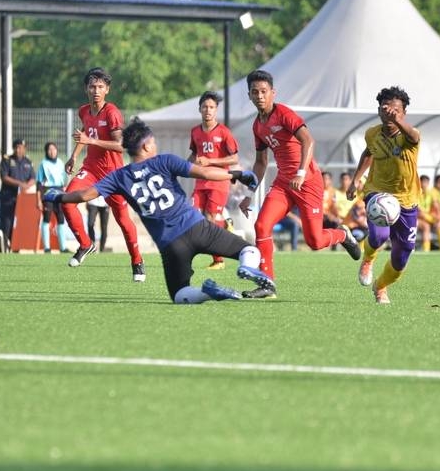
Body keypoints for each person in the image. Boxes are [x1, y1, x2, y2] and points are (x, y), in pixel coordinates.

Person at [42, 117, 275, 303]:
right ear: (145, 146)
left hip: (170, 245)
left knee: (180, 294)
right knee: (250, 251)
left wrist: (59, 196)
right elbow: (205, 173)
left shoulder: (119, 176)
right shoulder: (164, 161)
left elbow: (85, 195)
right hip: (197, 227)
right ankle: (246, 267)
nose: (155, 145)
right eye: (153, 142)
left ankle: (206, 292)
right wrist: (236, 174)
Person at [239, 70, 361, 294]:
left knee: (314, 241)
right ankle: (267, 284)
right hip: (284, 184)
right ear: (249, 95)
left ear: (273, 93)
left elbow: (308, 140)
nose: (260, 96)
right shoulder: (258, 126)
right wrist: (248, 195)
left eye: (264, 91)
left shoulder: (283, 113)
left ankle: (342, 234)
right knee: (261, 226)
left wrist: (301, 172)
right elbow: (261, 162)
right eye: (255, 92)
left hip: (308, 182)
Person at [61, 67, 145, 282]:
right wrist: (73, 156)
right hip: (90, 169)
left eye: (100, 87)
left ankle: (136, 261)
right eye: (92, 86)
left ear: (107, 89)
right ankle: (86, 244)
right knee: (67, 200)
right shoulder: (84, 111)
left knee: (123, 219)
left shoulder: (112, 113)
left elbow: (120, 145)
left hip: (113, 174)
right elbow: (85, 134)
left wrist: (91, 141)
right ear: (86, 89)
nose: (96, 90)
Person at [347, 86, 421, 304]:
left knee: (401, 258)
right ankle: (368, 258)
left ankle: (380, 286)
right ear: (379, 110)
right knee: (379, 236)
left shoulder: (408, 136)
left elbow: (415, 136)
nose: (389, 113)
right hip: (377, 193)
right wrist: (356, 179)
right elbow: (369, 152)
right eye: (385, 109)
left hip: (406, 200)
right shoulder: (372, 133)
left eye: (395, 110)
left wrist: (397, 121)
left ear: (403, 113)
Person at [187, 91, 239, 270]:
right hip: (201, 181)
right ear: (200, 109)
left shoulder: (224, 132)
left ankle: (219, 260)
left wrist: (211, 161)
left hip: (219, 182)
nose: (208, 110)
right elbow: (194, 154)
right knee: (192, 216)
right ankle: (225, 224)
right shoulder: (195, 131)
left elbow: (234, 159)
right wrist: (182, 167)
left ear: (216, 110)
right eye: (205, 107)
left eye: (211, 107)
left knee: (210, 219)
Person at [0, 139, 35, 252]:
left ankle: (16, 247)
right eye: (17, 147)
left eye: (21, 147)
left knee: (19, 224)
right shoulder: (7, 160)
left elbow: (33, 178)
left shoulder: (28, 162)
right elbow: (4, 177)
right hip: (8, 196)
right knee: (7, 222)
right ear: (14, 148)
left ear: (25, 149)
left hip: (22, 198)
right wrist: (20, 184)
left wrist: (27, 185)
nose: (19, 150)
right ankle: (3, 247)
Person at [36, 141, 68, 254]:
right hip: (48, 192)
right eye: (49, 149)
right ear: (46, 151)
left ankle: (63, 247)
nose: (52, 151)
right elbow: (39, 183)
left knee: (61, 219)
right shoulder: (43, 164)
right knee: (46, 218)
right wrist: (38, 200)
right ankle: (47, 248)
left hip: (59, 192)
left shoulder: (60, 163)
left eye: (54, 149)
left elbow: (64, 181)